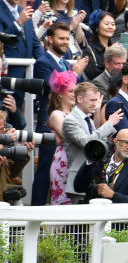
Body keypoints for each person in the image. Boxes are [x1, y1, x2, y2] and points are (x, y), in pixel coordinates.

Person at [72, 128, 128, 203]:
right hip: (93, 212)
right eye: (125, 142)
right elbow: (78, 187)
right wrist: (90, 162)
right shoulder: (98, 161)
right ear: (115, 141)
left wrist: (113, 195)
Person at [46, 70, 78, 205]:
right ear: (60, 94)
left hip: (76, 159)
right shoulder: (56, 114)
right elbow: (70, 137)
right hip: (63, 161)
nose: (74, 95)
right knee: (61, 201)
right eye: (71, 91)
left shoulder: (77, 113)